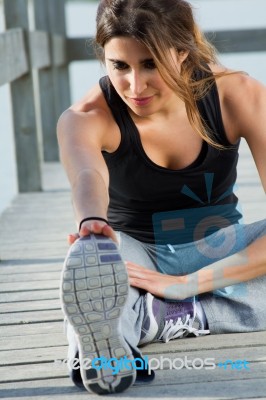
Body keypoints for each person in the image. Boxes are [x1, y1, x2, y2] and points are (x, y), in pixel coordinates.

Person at [57, 0, 266, 395]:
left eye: (150, 64)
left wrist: (186, 283)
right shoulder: (85, 117)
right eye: (120, 66)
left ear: (183, 50)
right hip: (137, 252)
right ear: (104, 58)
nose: (135, 86)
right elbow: (87, 175)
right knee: (101, 277)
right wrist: (91, 222)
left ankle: (163, 315)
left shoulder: (237, 94)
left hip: (221, 251)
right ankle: (107, 352)